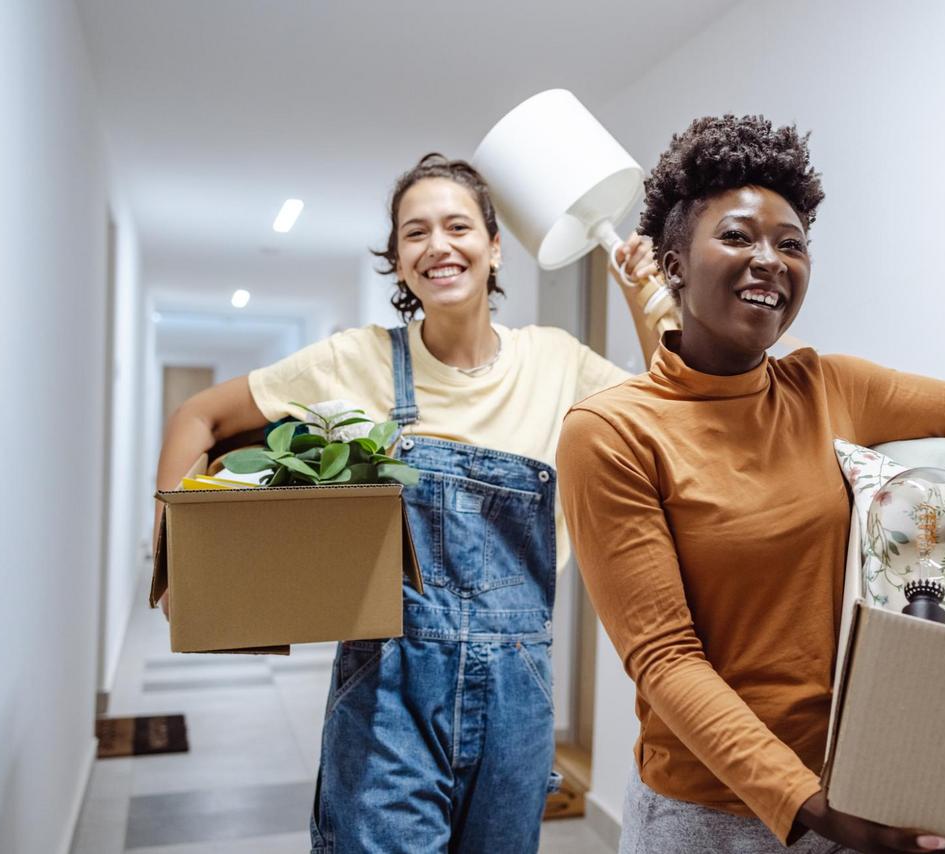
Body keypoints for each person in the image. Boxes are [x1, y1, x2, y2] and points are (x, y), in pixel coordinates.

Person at [556, 116, 945, 854]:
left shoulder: (824, 386)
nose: (771, 260)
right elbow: (666, 660)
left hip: (860, 784)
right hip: (712, 814)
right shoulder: (612, 431)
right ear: (672, 264)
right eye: (738, 237)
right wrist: (814, 807)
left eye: (792, 243)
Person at [152, 153, 664, 853]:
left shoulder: (558, 362)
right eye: (414, 233)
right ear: (396, 260)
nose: (437, 246)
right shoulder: (353, 359)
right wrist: (175, 560)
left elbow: (673, 413)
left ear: (493, 247)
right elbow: (199, 417)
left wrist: (645, 295)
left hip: (519, 698)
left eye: (457, 226)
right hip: (387, 690)